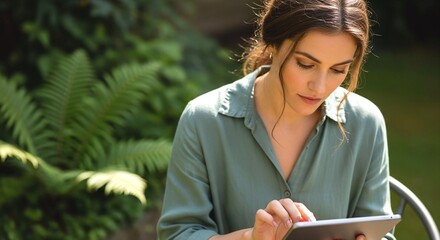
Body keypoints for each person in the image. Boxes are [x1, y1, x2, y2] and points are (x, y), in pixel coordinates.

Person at [157, 0, 395, 239]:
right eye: (305, 64)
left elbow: (380, 233)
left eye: (338, 70)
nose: (320, 87)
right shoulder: (204, 120)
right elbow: (178, 234)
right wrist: (251, 237)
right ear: (273, 44)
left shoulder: (366, 123)